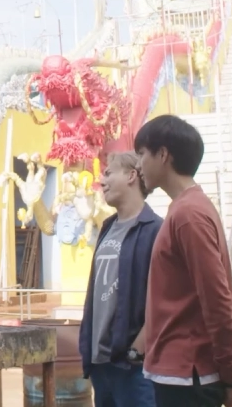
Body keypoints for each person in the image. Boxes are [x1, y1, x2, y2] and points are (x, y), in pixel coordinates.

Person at [134, 115, 232, 407]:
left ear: (163, 154)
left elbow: (218, 300)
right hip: (183, 373)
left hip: (189, 375)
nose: (138, 164)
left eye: (142, 154)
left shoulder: (188, 215)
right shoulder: (186, 209)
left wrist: (230, 373)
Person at [80, 150, 162, 407]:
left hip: (133, 367)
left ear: (131, 175)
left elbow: (163, 297)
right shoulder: (106, 227)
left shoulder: (156, 230)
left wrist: (137, 349)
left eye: (108, 173)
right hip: (100, 364)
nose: (101, 181)